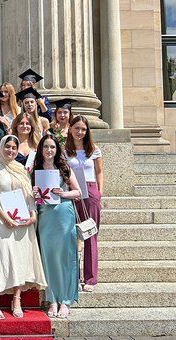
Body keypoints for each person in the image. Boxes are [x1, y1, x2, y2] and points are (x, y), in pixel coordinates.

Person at [0, 135, 46, 319]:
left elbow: (29, 196)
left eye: (14, 148)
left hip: (23, 222)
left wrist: (33, 216)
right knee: (0, 258)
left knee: (20, 259)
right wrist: (5, 218)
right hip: (1, 220)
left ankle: (16, 299)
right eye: (7, 147)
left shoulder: (21, 168)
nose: (11, 151)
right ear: (1, 148)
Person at [32, 134, 81, 319]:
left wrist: (63, 193)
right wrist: (33, 192)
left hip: (63, 216)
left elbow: (78, 192)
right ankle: (52, 299)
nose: (49, 150)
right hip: (46, 218)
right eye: (46, 147)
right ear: (41, 149)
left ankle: (66, 301)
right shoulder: (35, 169)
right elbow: (30, 197)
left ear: (57, 149)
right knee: (49, 258)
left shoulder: (64, 168)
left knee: (66, 257)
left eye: (52, 147)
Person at [64, 115, 103, 293]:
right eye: (77, 128)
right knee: (72, 235)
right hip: (73, 192)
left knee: (90, 234)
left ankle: (90, 278)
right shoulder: (64, 151)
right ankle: (74, 277)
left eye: (83, 129)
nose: (80, 132)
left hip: (90, 190)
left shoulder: (93, 150)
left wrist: (99, 193)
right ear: (70, 129)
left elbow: (99, 172)